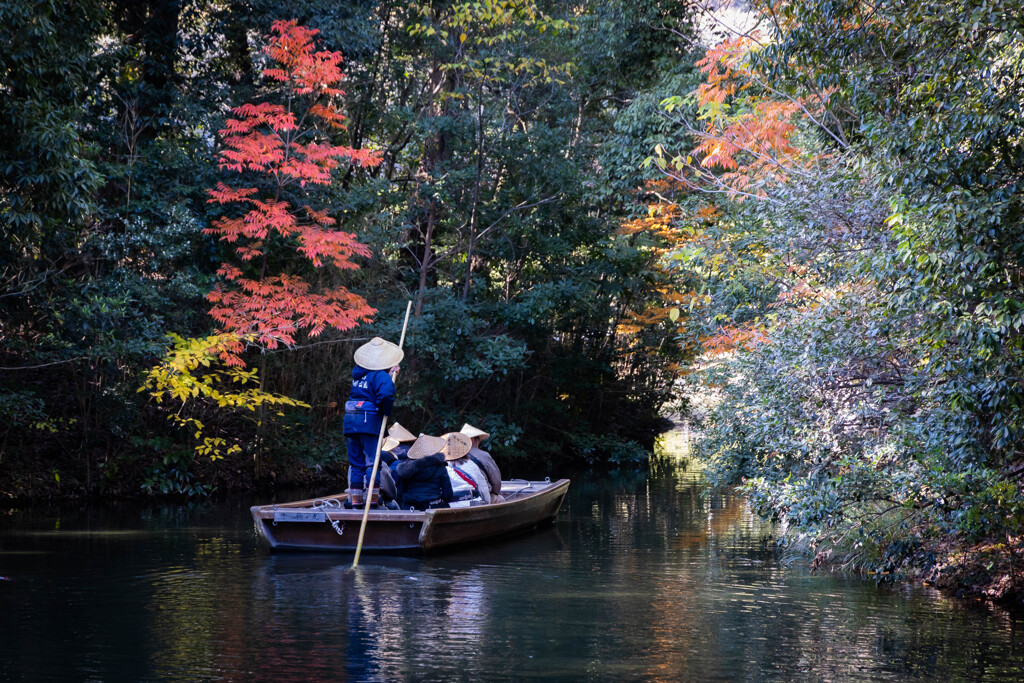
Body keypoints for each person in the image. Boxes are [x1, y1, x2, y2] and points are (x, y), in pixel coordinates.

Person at [342, 337, 403, 505]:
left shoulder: (358, 374)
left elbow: (369, 389)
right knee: (372, 462)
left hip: (350, 421)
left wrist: (389, 375)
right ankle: (372, 500)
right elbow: (385, 395)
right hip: (368, 421)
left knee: (356, 463)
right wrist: (385, 412)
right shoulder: (380, 376)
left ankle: (356, 500)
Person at [394, 434, 454, 510]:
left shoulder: (406, 468)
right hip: (434, 506)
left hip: (410, 508)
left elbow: (401, 492)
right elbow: (448, 494)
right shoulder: (440, 467)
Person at [442, 432, 490, 506]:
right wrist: (488, 503)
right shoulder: (472, 465)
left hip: (451, 506)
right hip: (472, 503)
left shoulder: (441, 468)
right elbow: (483, 488)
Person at [460, 423, 502, 498]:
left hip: (457, 496)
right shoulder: (484, 455)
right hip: (480, 497)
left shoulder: (452, 458)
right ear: (474, 440)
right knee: (500, 498)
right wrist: (495, 493)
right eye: (478, 439)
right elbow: (496, 482)